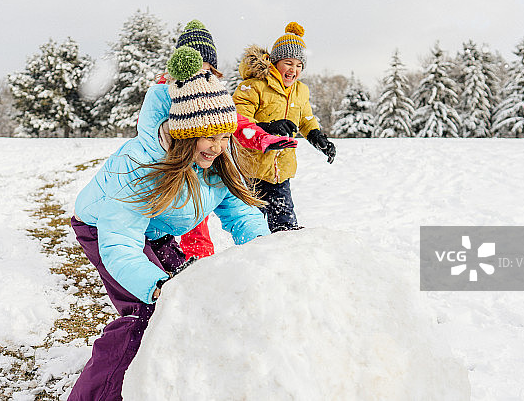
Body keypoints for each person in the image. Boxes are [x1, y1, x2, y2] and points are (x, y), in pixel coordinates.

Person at [68, 46, 270, 401]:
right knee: (147, 312)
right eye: (209, 136)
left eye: (225, 136)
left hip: (155, 228)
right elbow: (120, 245)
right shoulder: (139, 166)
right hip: (104, 227)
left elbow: (243, 215)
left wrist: (267, 254)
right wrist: (156, 285)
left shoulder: (217, 162)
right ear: (185, 134)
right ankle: (96, 394)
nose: (218, 147)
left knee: (191, 297)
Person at [158, 20, 296, 258]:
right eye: (195, 70)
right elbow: (149, 128)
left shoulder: (216, 98)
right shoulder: (164, 93)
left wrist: (263, 137)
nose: (201, 77)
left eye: (208, 71)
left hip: (208, 164)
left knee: (227, 208)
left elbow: (238, 122)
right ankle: (179, 264)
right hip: (173, 168)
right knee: (173, 222)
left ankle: (215, 259)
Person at [233, 21, 336, 232]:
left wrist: (317, 137)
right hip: (252, 170)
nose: (293, 69)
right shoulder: (254, 86)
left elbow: (305, 118)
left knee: (285, 227)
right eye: (288, 62)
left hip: (282, 171)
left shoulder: (301, 90)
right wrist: (268, 127)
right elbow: (238, 121)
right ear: (275, 62)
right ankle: (250, 259)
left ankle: (284, 257)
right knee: (251, 226)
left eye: (299, 65)